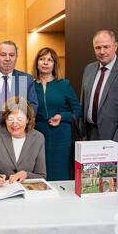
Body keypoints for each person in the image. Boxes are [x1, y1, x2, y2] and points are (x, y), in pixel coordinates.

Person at [81, 30, 118, 198]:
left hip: (116, 141)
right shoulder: (89, 69)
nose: (102, 51)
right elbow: (85, 102)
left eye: (106, 46)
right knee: (93, 186)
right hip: (92, 137)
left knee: (117, 190)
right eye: (97, 47)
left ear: (115, 46)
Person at [33, 47, 82, 181]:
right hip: (38, 134)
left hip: (61, 135)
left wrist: (63, 116)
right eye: (42, 59)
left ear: (54, 64)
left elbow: (78, 110)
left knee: (61, 173)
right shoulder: (30, 85)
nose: (45, 62)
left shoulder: (64, 84)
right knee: (40, 172)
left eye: (50, 60)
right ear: (37, 62)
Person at [0, 96, 46, 187]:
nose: (15, 124)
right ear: (5, 119)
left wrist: (26, 174)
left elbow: (42, 176)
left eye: (19, 119)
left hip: (27, 195)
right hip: (1, 193)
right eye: (10, 119)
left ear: (28, 119)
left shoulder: (38, 138)